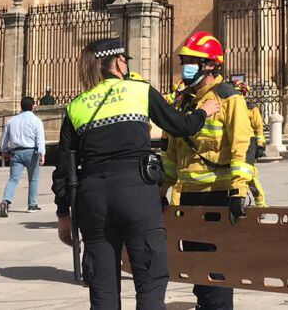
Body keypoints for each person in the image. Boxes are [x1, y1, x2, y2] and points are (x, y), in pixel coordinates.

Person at [52, 38, 214, 309]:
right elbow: (180, 126)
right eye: (125, 60)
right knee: (149, 276)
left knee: (102, 285)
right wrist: (203, 112)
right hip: (135, 190)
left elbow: (64, 168)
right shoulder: (138, 90)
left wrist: (63, 215)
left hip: (92, 196)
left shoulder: (76, 105)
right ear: (117, 62)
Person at [161, 31, 255, 310]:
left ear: (211, 65)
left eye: (193, 61)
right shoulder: (186, 101)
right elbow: (173, 151)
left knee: (216, 269)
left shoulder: (229, 98)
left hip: (218, 195)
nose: (186, 65)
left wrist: (239, 189)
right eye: (185, 60)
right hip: (188, 197)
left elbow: (243, 143)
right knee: (197, 267)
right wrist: (161, 187)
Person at [0, 96, 47, 216]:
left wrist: (4, 151)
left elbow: (5, 138)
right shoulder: (36, 120)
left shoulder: (12, 120)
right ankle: (32, 204)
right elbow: (40, 138)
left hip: (15, 153)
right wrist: (42, 153)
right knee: (33, 179)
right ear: (33, 106)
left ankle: (6, 200)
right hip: (31, 152)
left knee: (13, 179)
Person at [234, 79, 268, 208]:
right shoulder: (228, 105)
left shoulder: (251, 108)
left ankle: (261, 204)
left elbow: (258, 128)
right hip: (232, 143)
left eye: (240, 93)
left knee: (249, 176)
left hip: (248, 145)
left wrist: (260, 145)